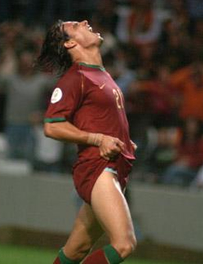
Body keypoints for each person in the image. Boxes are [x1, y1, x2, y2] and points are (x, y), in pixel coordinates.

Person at [36, 20, 137, 264]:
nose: (84, 22)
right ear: (70, 42)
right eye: (75, 25)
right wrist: (98, 138)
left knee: (76, 250)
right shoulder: (76, 78)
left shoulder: (100, 74)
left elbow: (99, 119)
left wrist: (125, 141)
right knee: (124, 244)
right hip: (98, 168)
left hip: (113, 167)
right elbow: (52, 126)